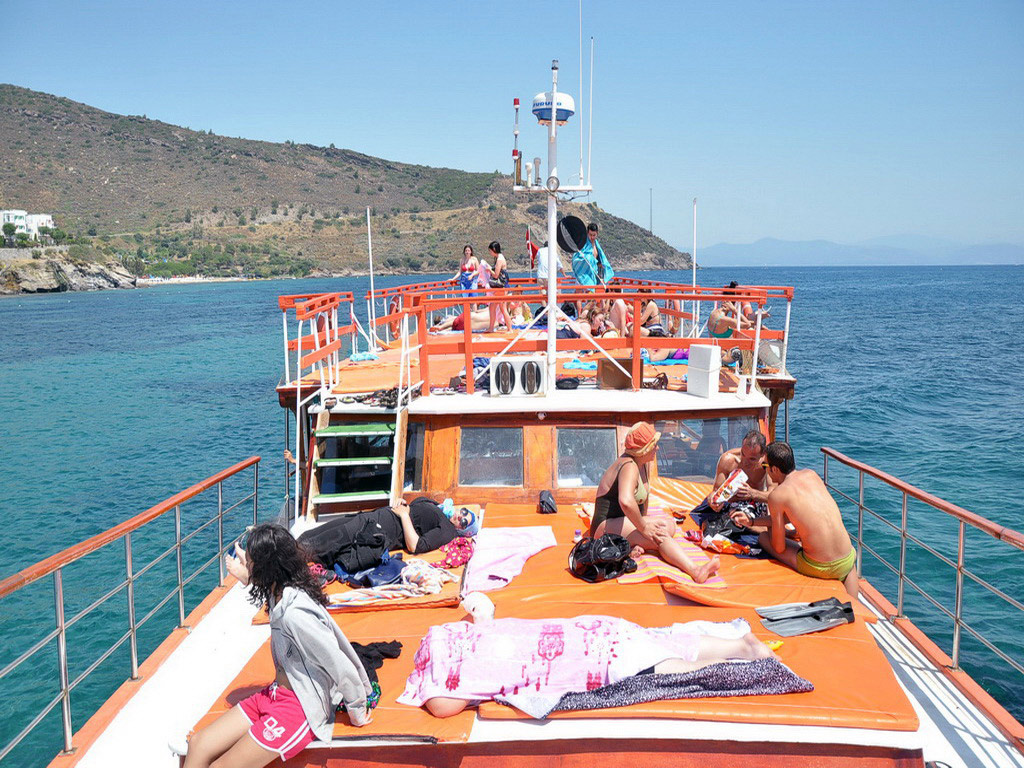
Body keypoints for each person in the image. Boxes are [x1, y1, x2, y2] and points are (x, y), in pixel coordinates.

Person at [184, 524, 372, 767]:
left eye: (250, 561)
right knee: (198, 743)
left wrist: (357, 709)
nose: (247, 564)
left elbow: (338, 662)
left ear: (266, 567)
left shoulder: (296, 614)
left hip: (299, 707)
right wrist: (246, 573)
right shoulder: (278, 592)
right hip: (274, 694)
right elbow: (262, 584)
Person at [591, 422, 720, 583]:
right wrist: (644, 528)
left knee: (669, 525)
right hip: (604, 526)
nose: (657, 448)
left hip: (620, 521)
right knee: (659, 536)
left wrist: (644, 526)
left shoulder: (641, 464)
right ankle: (695, 570)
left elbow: (642, 503)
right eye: (654, 445)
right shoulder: (629, 466)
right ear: (644, 449)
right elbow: (625, 501)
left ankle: (630, 545)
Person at [730, 442, 859, 597]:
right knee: (846, 563)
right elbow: (803, 513)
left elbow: (779, 548)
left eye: (765, 465)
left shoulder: (777, 495)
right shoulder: (811, 474)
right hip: (848, 557)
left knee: (764, 538)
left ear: (774, 469)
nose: (765, 469)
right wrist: (752, 521)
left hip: (819, 566)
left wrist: (769, 526)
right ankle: (854, 603)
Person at [297, 498, 480, 574]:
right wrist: (403, 503)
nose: (461, 516)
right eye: (464, 512)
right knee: (309, 536)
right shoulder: (441, 508)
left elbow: (416, 546)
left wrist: (404, 515)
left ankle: (287, 564)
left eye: (464, 522)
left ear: (462, 530)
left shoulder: (447, 531)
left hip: (377, 529)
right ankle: (291, 557)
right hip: (370, 517)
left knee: (316, 544)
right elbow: (415, 510)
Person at [707, 429, 770, 510]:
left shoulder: (765, 464)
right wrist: (712, 500)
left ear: (762, 454)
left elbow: (774, 496)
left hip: (754, 504)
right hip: (728, 504)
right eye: (743, 454)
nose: (745, 462)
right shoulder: (728, 460)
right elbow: (715, 491)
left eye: (752, 459)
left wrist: (752, 493)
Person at [486, 241, 511, 332]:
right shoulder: (499, 258)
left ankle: (510, 328)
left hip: (501, 287)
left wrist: (489, 270)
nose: (490, 253)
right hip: (500, 287)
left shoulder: (499, 259)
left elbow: (496, 275)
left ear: (494, 249)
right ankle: (491, 328)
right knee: (493, 306)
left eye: (490, 251)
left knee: (502, 308)